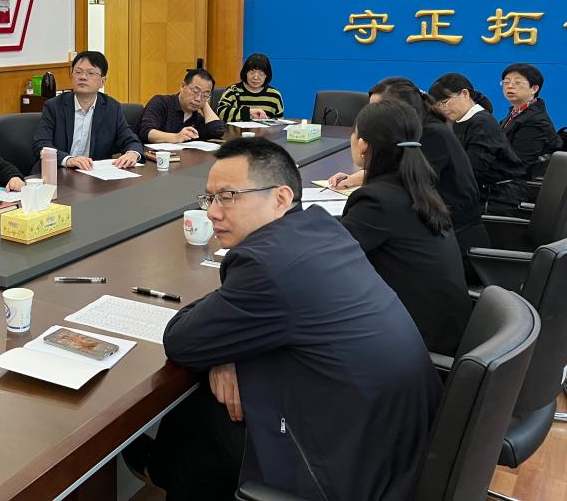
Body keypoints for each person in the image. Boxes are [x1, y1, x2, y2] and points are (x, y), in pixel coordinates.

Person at [125, 138, 440, 500]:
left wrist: (226, 346)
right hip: (405, 442)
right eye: (209, 198)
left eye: (228, 197)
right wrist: (229, 346)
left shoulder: (268, 265)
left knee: (203, 415)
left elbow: (181, 339)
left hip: (354, 463)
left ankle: (164, 470)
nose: (212, 212)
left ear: (280, 198)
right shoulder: (321, 228)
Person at [339, 100, 471, 355]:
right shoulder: (418, 188)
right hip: (444, 332)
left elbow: (324, 259)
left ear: (363, 144)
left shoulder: (377, 201)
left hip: (415, 346)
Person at [327, 76, 490, 260]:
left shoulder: (431, 134)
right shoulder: (417, 131)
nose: (373, 115)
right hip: (438, 235)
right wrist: (353, 179)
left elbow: (403, 179)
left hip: (458, 243)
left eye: (380, 108)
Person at [429, 73, 529, 217]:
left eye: (445, 102)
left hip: (498, 198)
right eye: (438, 106)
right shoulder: (458, 122)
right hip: (479, 193)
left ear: (465, 94)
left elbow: (472, 171)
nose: (443, 109)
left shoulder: (482, 124)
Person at [31, 50, 143, 171]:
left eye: (90, 73)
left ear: (103, 81)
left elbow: (131, 140)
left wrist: (132, 154)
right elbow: (41, 145)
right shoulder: (54, 106)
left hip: (92, 174)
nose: (83, 77)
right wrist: (68, 160)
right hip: (57, 172)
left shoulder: (112, 108)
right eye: (78, 72)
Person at [499, 63, 562, 179]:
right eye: (506, 82)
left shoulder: (537, 121)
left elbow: (518, 162)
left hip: (523, 183)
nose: (510, 86)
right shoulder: (515, 113)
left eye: (518, 82)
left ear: (534, 89)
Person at [137, 67, 226, 143]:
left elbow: (218, 131)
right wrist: (176, 137)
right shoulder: (161, 102)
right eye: (195, 91)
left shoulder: (197, 118)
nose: (198, 99)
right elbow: (146, 132)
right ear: (183, 86)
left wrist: (204, 103)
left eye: (205, 95)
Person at [215, 52, 284, 122]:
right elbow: (221, 113)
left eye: (260, 73)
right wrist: (248, 112)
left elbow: (279, 123)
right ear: (245, 72)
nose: (255, 77)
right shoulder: (233, 91)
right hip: (236, 129)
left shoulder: (275, 95)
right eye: (252, 72)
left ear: (266, 75)